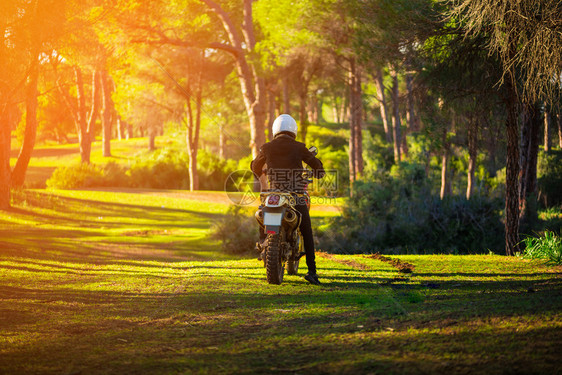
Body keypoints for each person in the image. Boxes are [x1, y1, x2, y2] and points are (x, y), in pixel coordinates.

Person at [251, 114, 325, 285]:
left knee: (262, 214)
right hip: (295, 196)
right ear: (293, 130)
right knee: (306, 230)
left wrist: (262, 172)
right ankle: (312, 272)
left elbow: (255, 166)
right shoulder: (299, 147)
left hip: (274, 195)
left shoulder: (267, 147)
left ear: (275, 130)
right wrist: (318, 171)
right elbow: (316, 166)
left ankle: (263, 243)